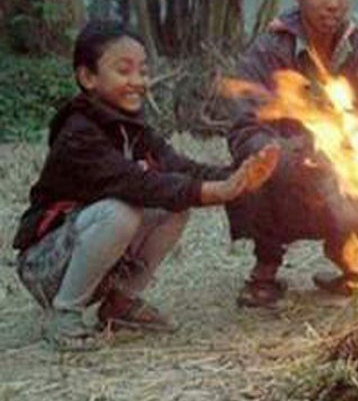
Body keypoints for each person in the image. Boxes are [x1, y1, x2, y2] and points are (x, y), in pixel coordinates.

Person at [11, 20, 280, 351]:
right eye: (124, 71)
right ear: (88, 78)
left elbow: (179, 166)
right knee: (119, 213)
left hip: (88, 253)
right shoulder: (78, 133)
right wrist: (217, 192)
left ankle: (120, 303)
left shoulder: (131, 127)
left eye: (143, 70)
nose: (138, 81)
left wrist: (238, 175)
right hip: (44, 266)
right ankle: (65, 314)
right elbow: (139, 184)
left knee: (173, 207)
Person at [227, 0, 358, 308]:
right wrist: (293, 156)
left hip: (344, 180)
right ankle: (265, 269)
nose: (333, 3)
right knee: (254, 169)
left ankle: (350, 258)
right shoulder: (269, 51)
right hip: (288, 175)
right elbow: (244, 130)